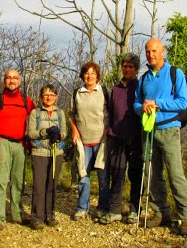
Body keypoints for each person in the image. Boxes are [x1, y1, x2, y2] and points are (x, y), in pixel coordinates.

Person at [133, 38, 187, 235]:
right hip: (149, 130)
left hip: (170, 130)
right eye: (147, 51)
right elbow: (136, 104)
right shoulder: (144, 78)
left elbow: (182, 102)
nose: (150, 54)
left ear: (162, 51)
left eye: (154, 51)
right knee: (151, 174)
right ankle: (160, 213)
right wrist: (142, 107)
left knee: (175, 173)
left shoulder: (175, 73)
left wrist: (156, 103)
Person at [0, 69, 35, 231]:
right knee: (1, 180)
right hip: (2, 142)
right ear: (4, 80)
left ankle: (17, 214)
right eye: (9, 78)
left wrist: (30, 144)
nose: (12, 81)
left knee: (18, 181)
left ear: (20, 81)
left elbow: (35, 121)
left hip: (20, 144)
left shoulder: (28, 101)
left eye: (15, 78)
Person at [99, 53, 143, 225]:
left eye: (130, 66)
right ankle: (114, 209)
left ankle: (134, 210)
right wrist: (109, 130)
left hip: (135, 137)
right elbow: (110, 112)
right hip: (116, 137)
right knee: (117, 173)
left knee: (135, 174)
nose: (127, 69)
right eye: (125, 66)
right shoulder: (115, 89)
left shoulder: (140, 87)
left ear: (136, 69)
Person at [70, 62, 109, 221]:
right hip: (83, 141)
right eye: (87, 73)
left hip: (101, 140)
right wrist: (74, 129)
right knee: (83, 176)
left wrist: (109, 129)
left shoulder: (105, 92)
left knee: (103, 177)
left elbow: (112, 113)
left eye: (93, 73)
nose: (90, 76)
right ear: (82, 76)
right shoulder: (77, 93)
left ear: (97, 76)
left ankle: (102, 208)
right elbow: (72, 114)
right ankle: (82, 207)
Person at [27, 84, 67, 230]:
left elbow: (65, 132)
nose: (49, 97)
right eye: (45, 95)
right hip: (39, 152)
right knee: (39, 185)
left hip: (56, 153)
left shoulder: (60, 113)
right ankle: (37, 218)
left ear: (56, 97)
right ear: (41, 97)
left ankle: (50, 215)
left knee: (52, 184)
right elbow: (31, 133)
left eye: (52, 94)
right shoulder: (35, 113)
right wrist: (46, 132)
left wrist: (59, 135)